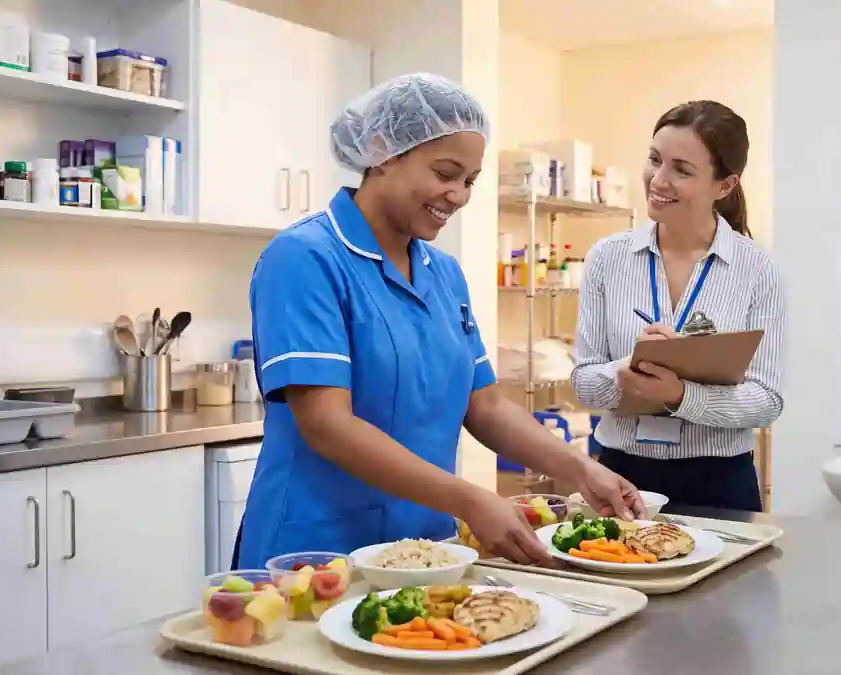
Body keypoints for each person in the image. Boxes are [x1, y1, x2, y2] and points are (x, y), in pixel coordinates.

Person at [235, 73, 645, 569]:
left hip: (424, 550)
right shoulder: (304, 258)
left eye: (469, 181)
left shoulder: (443, 274)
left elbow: (486, 406)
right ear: (383, 151)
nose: (458, 195)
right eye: (445, 173)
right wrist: (470, 500)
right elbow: (327, 424)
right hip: (317, 552)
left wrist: (581, 470)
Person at [571, 100, 786, 512]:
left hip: (720, 481)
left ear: (724, 186)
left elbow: (766, 399)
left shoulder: (757, 269)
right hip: (620, 475)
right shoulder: (607, 258)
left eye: (681, 170)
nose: (658, 179)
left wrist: (681, 395)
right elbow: (583, 384)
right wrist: (625, 370)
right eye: (654, 160)